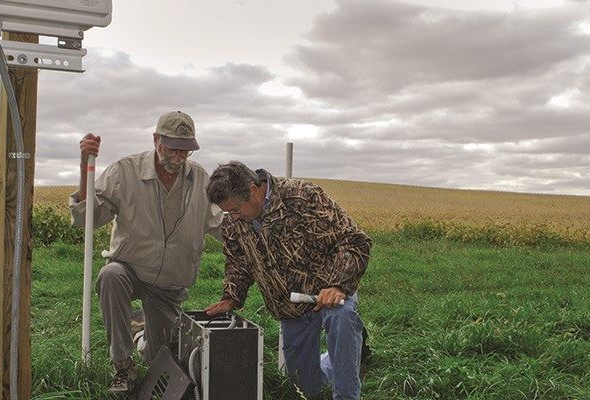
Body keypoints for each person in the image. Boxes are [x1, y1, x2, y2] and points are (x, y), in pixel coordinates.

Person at [69, 111, 223, 393]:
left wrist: (256, 239)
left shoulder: (200, 179)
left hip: (169, 283)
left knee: (158, 359)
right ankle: (122, 367)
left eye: (186, 149)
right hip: (131, 269)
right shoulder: (124, 171)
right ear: (156, 140)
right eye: (173, 148)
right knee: (110, 275)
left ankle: (140, 331)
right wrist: (83, 166)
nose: (180, 156)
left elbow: (220, 225)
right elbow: (86, 218)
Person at [204, 161, 372, 400]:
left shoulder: (303, 197)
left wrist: (337, 285)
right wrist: (231, 297)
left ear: (253, 190)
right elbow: (238, 262)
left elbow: (354, 240)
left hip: (327, 294)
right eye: (228, 212)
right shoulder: (234, 221)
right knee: (305, 387)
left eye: (236, 209)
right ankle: (346, 353)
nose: (234, 217)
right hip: (290, 307)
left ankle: (346, 391)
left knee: (341, 317)